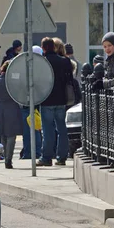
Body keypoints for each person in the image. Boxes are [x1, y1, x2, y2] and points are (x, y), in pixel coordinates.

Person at [37, 37, 71, 167]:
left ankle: (46, 157)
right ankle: (62, 157)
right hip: (61, 99)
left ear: (43, 48)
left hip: (46, 100)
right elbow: (69, 77)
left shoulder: (43, 62)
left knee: (48, 130)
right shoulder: (64, 61)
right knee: (62, 129)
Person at [0, 61, 23, 169]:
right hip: (13, 108)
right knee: (11, 136)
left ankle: (5, 156)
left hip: (0, 109)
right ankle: (9, 159)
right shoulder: (15, 82)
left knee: (2, 134)